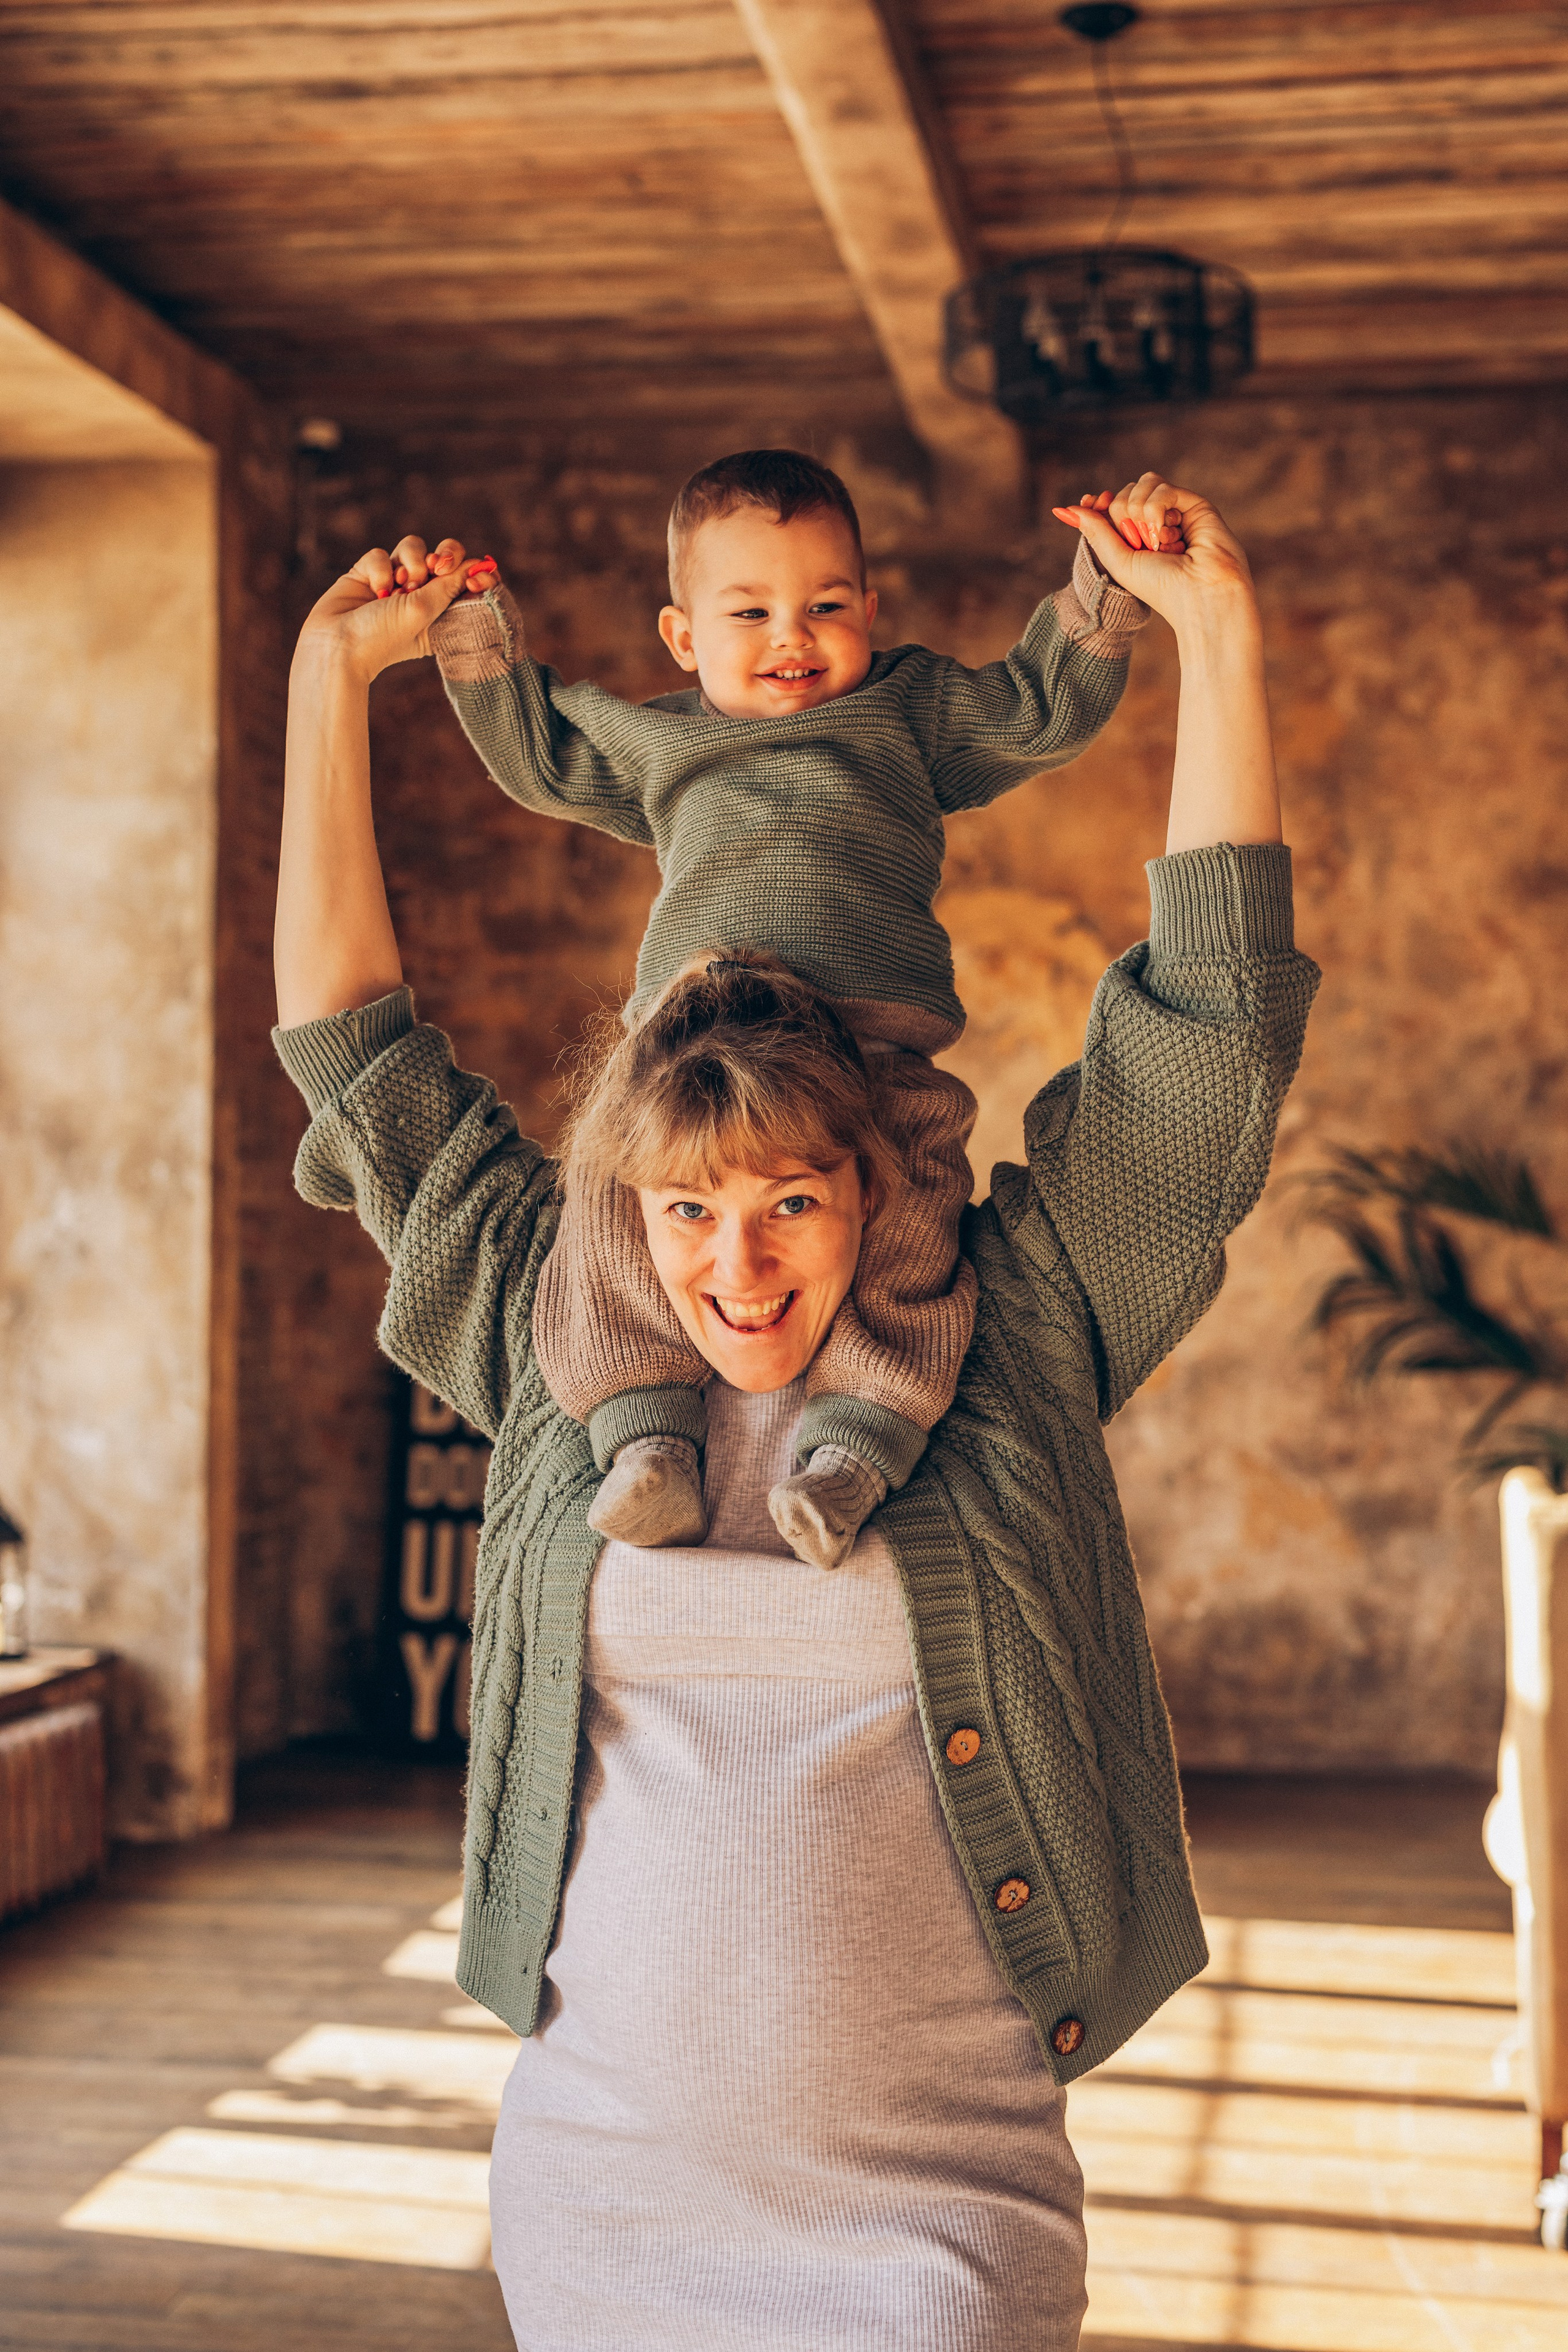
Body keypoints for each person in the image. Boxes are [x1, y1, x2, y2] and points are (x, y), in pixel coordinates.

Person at [273, 475, 1317, 2350]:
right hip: (602, 2198)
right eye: (688, 1212)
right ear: (634, 1204)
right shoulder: (549, 1333)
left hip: (940, 2218)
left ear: (874, 1180)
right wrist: (324, 691)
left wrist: (1216, 639)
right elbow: (356, 1057)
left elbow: (1209, 1038)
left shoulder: (1007, 1331)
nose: (737, 1272)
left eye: (796, 1207)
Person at [399, 450, 1167, 1570]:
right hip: (689, 1057)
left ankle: (855, 1448)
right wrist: (471, 627)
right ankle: (645, 1437)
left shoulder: (908, 710)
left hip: (874, 1049)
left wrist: (1106, 585)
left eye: (825, 606)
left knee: (915, 1212)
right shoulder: (666, 740)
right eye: (749, 612)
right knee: (611, 1218)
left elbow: (1035, 710)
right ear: (683, 639)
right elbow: (546, 756)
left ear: (872, 608)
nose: (790, 639)